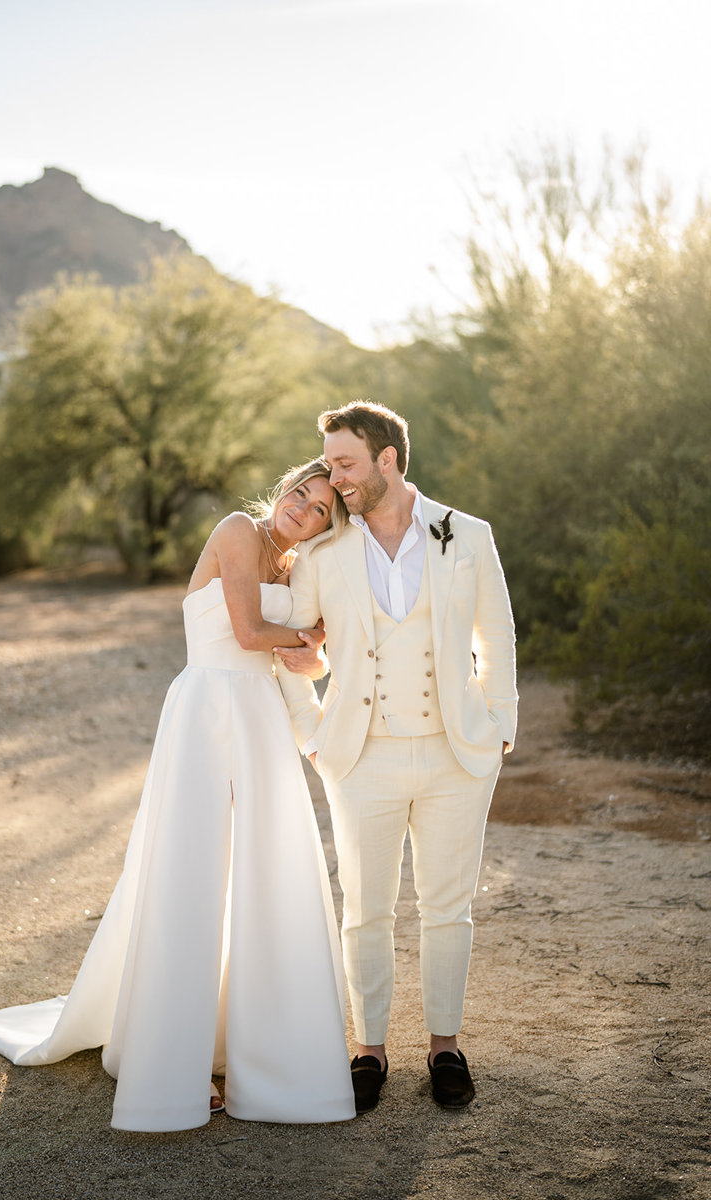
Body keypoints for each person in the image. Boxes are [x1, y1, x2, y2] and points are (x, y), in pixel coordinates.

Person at [0, 460, 356, 1131]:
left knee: (263, 879)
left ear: (329, 525)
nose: (301, 509)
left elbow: (317, 657)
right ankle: (174, 1063)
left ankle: (260, 1053)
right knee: (190, 878)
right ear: (284, 489)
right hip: (208, 711)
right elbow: (249, 635)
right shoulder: (240, 530)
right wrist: (311, 638)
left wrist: (318, 650)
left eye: (319, 509)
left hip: (262, 720)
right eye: (299, 493)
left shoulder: (299, 567)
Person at [275, 402, 517, 1114]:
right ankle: (368, 1050)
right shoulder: (323, 554)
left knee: (448, 907)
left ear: (387, 459)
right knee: (365, 909)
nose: (333, 475)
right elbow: (289, 655)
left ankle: (445, 1046)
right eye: (329, 461)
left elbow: (496, 634)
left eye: (345, 462)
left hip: (456, 752)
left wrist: (500, 724)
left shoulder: (468, 536)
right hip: (360, 755)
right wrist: (313, 740)